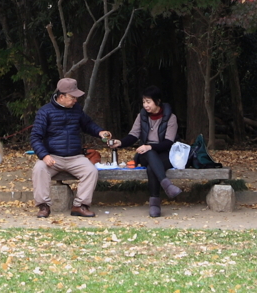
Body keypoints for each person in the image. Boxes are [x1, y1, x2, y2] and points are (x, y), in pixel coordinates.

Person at [31, 78, 113, 218]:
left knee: (91, 171)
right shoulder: (45, 112)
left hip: (75, 157)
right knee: (39, 169)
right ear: (61, 96)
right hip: (53, 157)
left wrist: (100, 132)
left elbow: (88, 125)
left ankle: (80, 205)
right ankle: (43, 206)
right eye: (73, 97)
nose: (75, 100)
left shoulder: (77, 110)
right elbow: (35, 137)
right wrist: (44, 155)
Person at [107, 85, 182, 217]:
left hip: (165, 154)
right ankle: (167, 185)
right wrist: (121, 143)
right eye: (143, 102)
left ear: (157, 101)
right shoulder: (141, 116)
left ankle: (154, 204)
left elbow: (168, 142)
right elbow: (133, 135)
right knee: (148, 153)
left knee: (152, 168)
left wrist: (151, 146)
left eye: (148, 102)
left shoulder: (171, 118)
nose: (145, 105)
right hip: (144, 155)